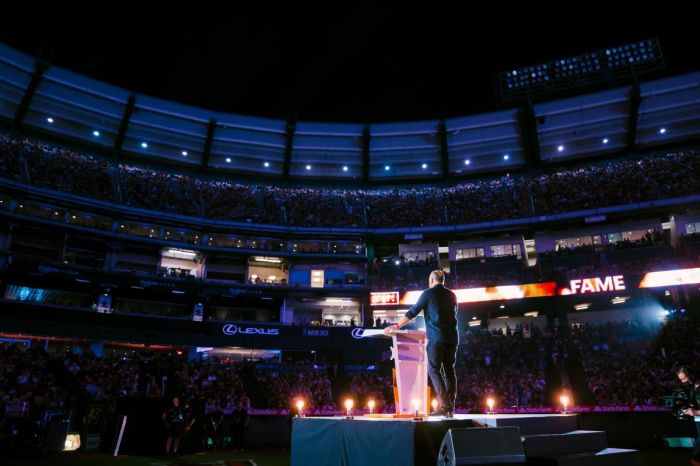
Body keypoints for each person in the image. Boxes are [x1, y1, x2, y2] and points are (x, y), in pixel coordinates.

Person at [384, 269, 458, 417]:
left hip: (436, 338)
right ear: (443, 280)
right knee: (450, 370)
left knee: (434, 370)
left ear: (431, 280)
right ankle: (450, 405)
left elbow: (413, 311)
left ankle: (446, 406)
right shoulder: (452, 295)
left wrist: (397, 325)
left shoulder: (427, 293)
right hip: (453, 338)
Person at [676, 367, 700, 466]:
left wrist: (695, 412)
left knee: (696, 458)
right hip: (698, 422)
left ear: (690, 375)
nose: (683, 381)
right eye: (681, 379)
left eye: (684, 378)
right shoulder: (691, 389)